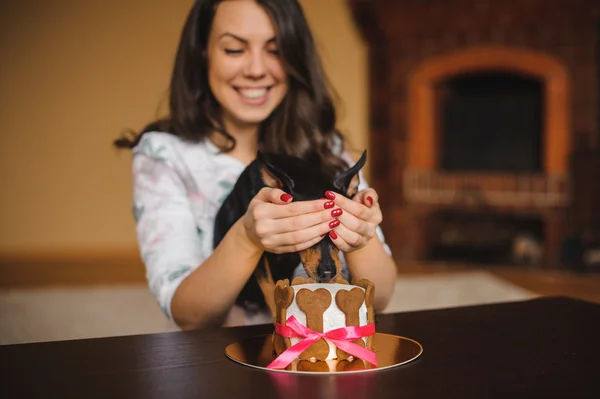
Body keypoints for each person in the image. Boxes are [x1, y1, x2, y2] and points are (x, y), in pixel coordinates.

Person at [114, 0, 397, 330]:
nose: (256, 69)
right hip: (224, 363)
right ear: (202, 51)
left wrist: (361, 237)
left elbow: (380, 299)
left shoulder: (325, 147)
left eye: (275, 50)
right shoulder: (165, 155)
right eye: (234, 49)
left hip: (324, 357)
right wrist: (248, 237)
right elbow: (190, 316)